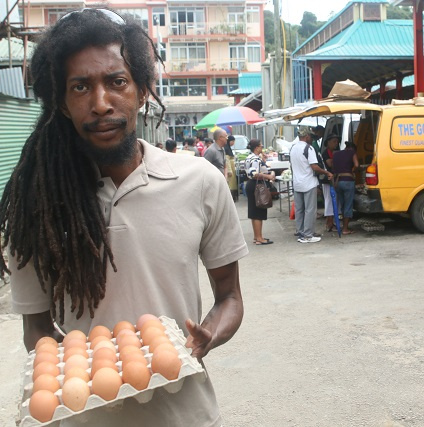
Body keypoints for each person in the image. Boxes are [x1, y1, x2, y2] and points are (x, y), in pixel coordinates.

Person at [0, 8, 248, 426]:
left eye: (116, 82)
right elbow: (36, 328)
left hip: (185, 416)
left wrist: (207, 335)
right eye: (80, 87)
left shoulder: (199, 181)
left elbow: (230, 298)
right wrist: (74, 371)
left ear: (142, 89)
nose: (100, 104)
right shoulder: (37, 205)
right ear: (61, 102)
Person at [289, 128, 333, 243]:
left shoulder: (293, 148)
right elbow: (314, 167)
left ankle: (300, 231)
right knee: (310, 209)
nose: (312, 139)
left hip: (297, 183)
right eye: (311, 137)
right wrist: (326, 172)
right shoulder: (309, 148)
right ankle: (308, 235)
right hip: (308, 183)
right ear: (307, 136)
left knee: (300, 209)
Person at [244, 139, 275, 245]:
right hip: (257, 185)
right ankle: (259, 238)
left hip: (251, 185)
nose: (262, 148)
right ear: (256, 148)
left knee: (254, 212)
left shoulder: (250, 157)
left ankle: (256, 236)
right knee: (258, 212)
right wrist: (268, 176)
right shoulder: (255, 159)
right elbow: (254, 173)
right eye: (261, 146)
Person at [332, 141, 360, 235]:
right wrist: (352, 170)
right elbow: (356, 165)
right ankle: (345, 229)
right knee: (348, 205)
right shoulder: (352, 152)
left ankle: (343, 226)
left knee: (343, 205)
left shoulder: (336, 154)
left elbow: (332, 166)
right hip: (348, 181)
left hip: (337, 182)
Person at [321, 134, 340, 232]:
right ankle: (329, 223)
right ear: (328, 142)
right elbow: (330, 163)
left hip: (333, 179)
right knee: (329, 201)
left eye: (337, 142)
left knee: (333, 201)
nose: (336, 144)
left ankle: (331, 222)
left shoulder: (333, 152)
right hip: (328, 180)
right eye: (334, 141)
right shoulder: (326, 153)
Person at [225, 135, 238, 201]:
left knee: (233, 183)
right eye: (232, 141)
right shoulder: (226, 148)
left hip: (232, 167)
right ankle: (231, 198)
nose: (233, 143)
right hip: (230, 169)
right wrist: (229, 171)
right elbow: (227, 161)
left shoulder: (228, 148)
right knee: (231, 183)